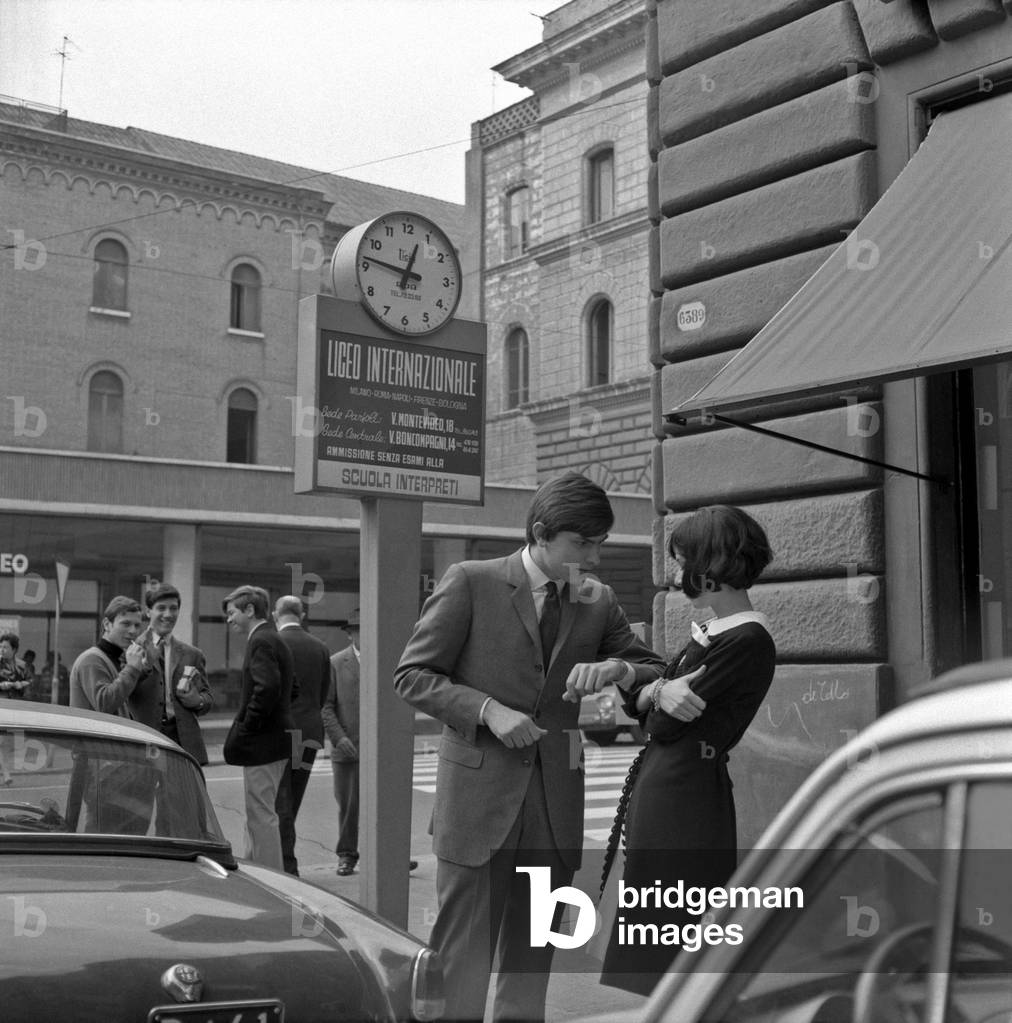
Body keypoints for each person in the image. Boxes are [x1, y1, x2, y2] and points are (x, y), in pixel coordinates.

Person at [394, 472, 666, 1023]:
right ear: (542, 533)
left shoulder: (598, 601)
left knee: (531, 962)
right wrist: (487, 710)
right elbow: (412, 675)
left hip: (554, 806)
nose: (593, 557)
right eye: (582, 543)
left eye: (600, 544)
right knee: (461, 964)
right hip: (477, 807)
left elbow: (653, 668)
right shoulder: (470, 581)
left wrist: (618, 666)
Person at [600, 505, 776, 995]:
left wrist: (653, 695)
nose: (678, 576)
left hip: (686, 796)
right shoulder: (719, 635)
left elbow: (658, 720)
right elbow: (652, 707)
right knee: (665, 926)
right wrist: (654, 691)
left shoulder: (744, 638)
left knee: (676, 934)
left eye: (683, 562)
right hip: (675, 789)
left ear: (711, 566)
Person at [324, 609, 419, 877]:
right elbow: (326, 706)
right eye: (359, 629)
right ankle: (347, 855)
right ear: (350, 633)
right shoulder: (335, 663)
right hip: (348, 747)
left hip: (383, 748)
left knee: (389, 804)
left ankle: (393, 855)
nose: (365, 635)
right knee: (349, 805)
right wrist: (339, 738)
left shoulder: (390, 661)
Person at [222, 585, 297, 871]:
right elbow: (292, 689)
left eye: (232, 613)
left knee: (261, 813)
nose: (229, 620)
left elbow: (267, 689)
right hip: (275, 740)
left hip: (262, 742)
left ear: (249, 610)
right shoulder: (273, 638)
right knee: (260, 811)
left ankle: (271, 879)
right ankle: (256, 870)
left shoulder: (261, 641)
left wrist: (247, 726)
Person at [68, 596, 155, 833]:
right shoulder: (92, 660)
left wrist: (140, 666)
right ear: (107, 624)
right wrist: (133, 668)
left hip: (117, 767)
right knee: (104, 837)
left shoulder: (119, 658)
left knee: (128, 835)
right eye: (125, 624)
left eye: (137, 625)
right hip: (101, 768)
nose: (132, 631)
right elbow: (104, 703)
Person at [272, 594, 330, 876]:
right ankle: (285, 858)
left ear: (275, 615)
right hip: (309, 730)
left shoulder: (273, 643)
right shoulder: (320, 647)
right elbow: (322, 694)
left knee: (279, 799)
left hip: (281, 732)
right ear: (302, 615)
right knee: (292, 798)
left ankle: (285, 865)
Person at [133, 584, 214, 765]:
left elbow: (208, 698)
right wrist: (145, 665)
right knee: (141, 794)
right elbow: (122, 691)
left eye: (173, 608)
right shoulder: (132, 649)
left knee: (180, 794)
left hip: (182, 743)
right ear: (148, 612)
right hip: (144, 740)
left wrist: (197, 701)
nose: (168, 614)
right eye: (161, 608)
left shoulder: (193, 654)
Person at [0, 632, 31, 785]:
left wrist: (21, 684)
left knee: (7, 743)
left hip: (15, 708)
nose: (2, 650)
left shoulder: (21, 666)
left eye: (5, 647)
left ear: (14, 649)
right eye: (1, 647)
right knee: (2, 742)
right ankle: (6, 774)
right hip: (1, 706)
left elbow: (30, 682)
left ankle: (4, 772)